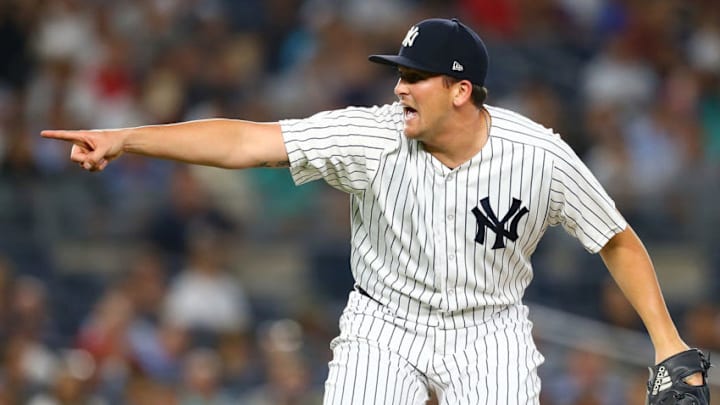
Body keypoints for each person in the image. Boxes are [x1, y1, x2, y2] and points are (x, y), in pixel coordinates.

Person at [41, 17, 705, 405]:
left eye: (416, 77)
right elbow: (248, 140)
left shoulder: (539, 156)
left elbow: (616, 239)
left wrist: (667, 339)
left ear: (462, 91)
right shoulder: (371, 134)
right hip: (384, 322)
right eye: (400, 73)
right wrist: (129, 138)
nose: (400, 87)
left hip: (489, 329)